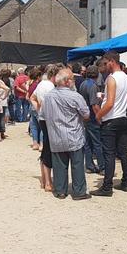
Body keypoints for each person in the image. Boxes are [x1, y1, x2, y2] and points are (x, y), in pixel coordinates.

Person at [42, 68, 91, 200]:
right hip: (73, 135)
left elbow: (43, 114)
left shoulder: (48, 96)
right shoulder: (75, 96)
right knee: (77, 165)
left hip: (56, 136)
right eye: (72, 79)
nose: (74, 81)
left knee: (59, 165)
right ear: (67, 82)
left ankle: (60, 190)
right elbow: (86, 114)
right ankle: (79, 191)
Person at [90, 52, 127, 197]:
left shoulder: (112, 78)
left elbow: (110, 103)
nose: (104, 65)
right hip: (122, 117)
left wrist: (98, 115)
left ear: (112, 61)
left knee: (109, 154)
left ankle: (107, 186)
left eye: (105, 62)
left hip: (111, 119)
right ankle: (126, 181)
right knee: (122, 151)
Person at [31, 64, 60, 191]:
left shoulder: (41, 84)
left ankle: (45, 180)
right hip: (50, 119)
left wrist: (39, 110)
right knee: (49, 149)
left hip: (43, 118)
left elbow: (31, 97)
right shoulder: (50, 86)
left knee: (46, 149)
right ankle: (48, 182)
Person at [78, 65, 104, 174]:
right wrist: (100, 118)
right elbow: (94, 105)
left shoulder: (83, 84)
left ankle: (89, 165)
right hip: (93, 117)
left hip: (85, 117)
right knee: (98, 143)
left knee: (87, 143)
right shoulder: (93, 86)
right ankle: (102, 166)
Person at [27, 68, 42, 150]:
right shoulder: (38, 85)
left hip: (31, 106)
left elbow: (27, 97)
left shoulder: (30, 84)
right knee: (42, 126)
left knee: (34, 126)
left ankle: (35, 143)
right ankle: (41, 144)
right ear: (38, 76)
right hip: (37, 106)